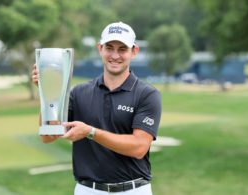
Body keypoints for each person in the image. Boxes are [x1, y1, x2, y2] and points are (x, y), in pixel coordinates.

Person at [32, 21, 161, 195]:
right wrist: (47, 92)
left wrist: (91, 132)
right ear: (100, 48)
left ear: (134, 52)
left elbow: (138, 147)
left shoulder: (147, 94)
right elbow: (48, 135)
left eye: (122, 49)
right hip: (87, 190)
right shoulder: (79, 93)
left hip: (133, 190)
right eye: (109, 48)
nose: (115, 55)